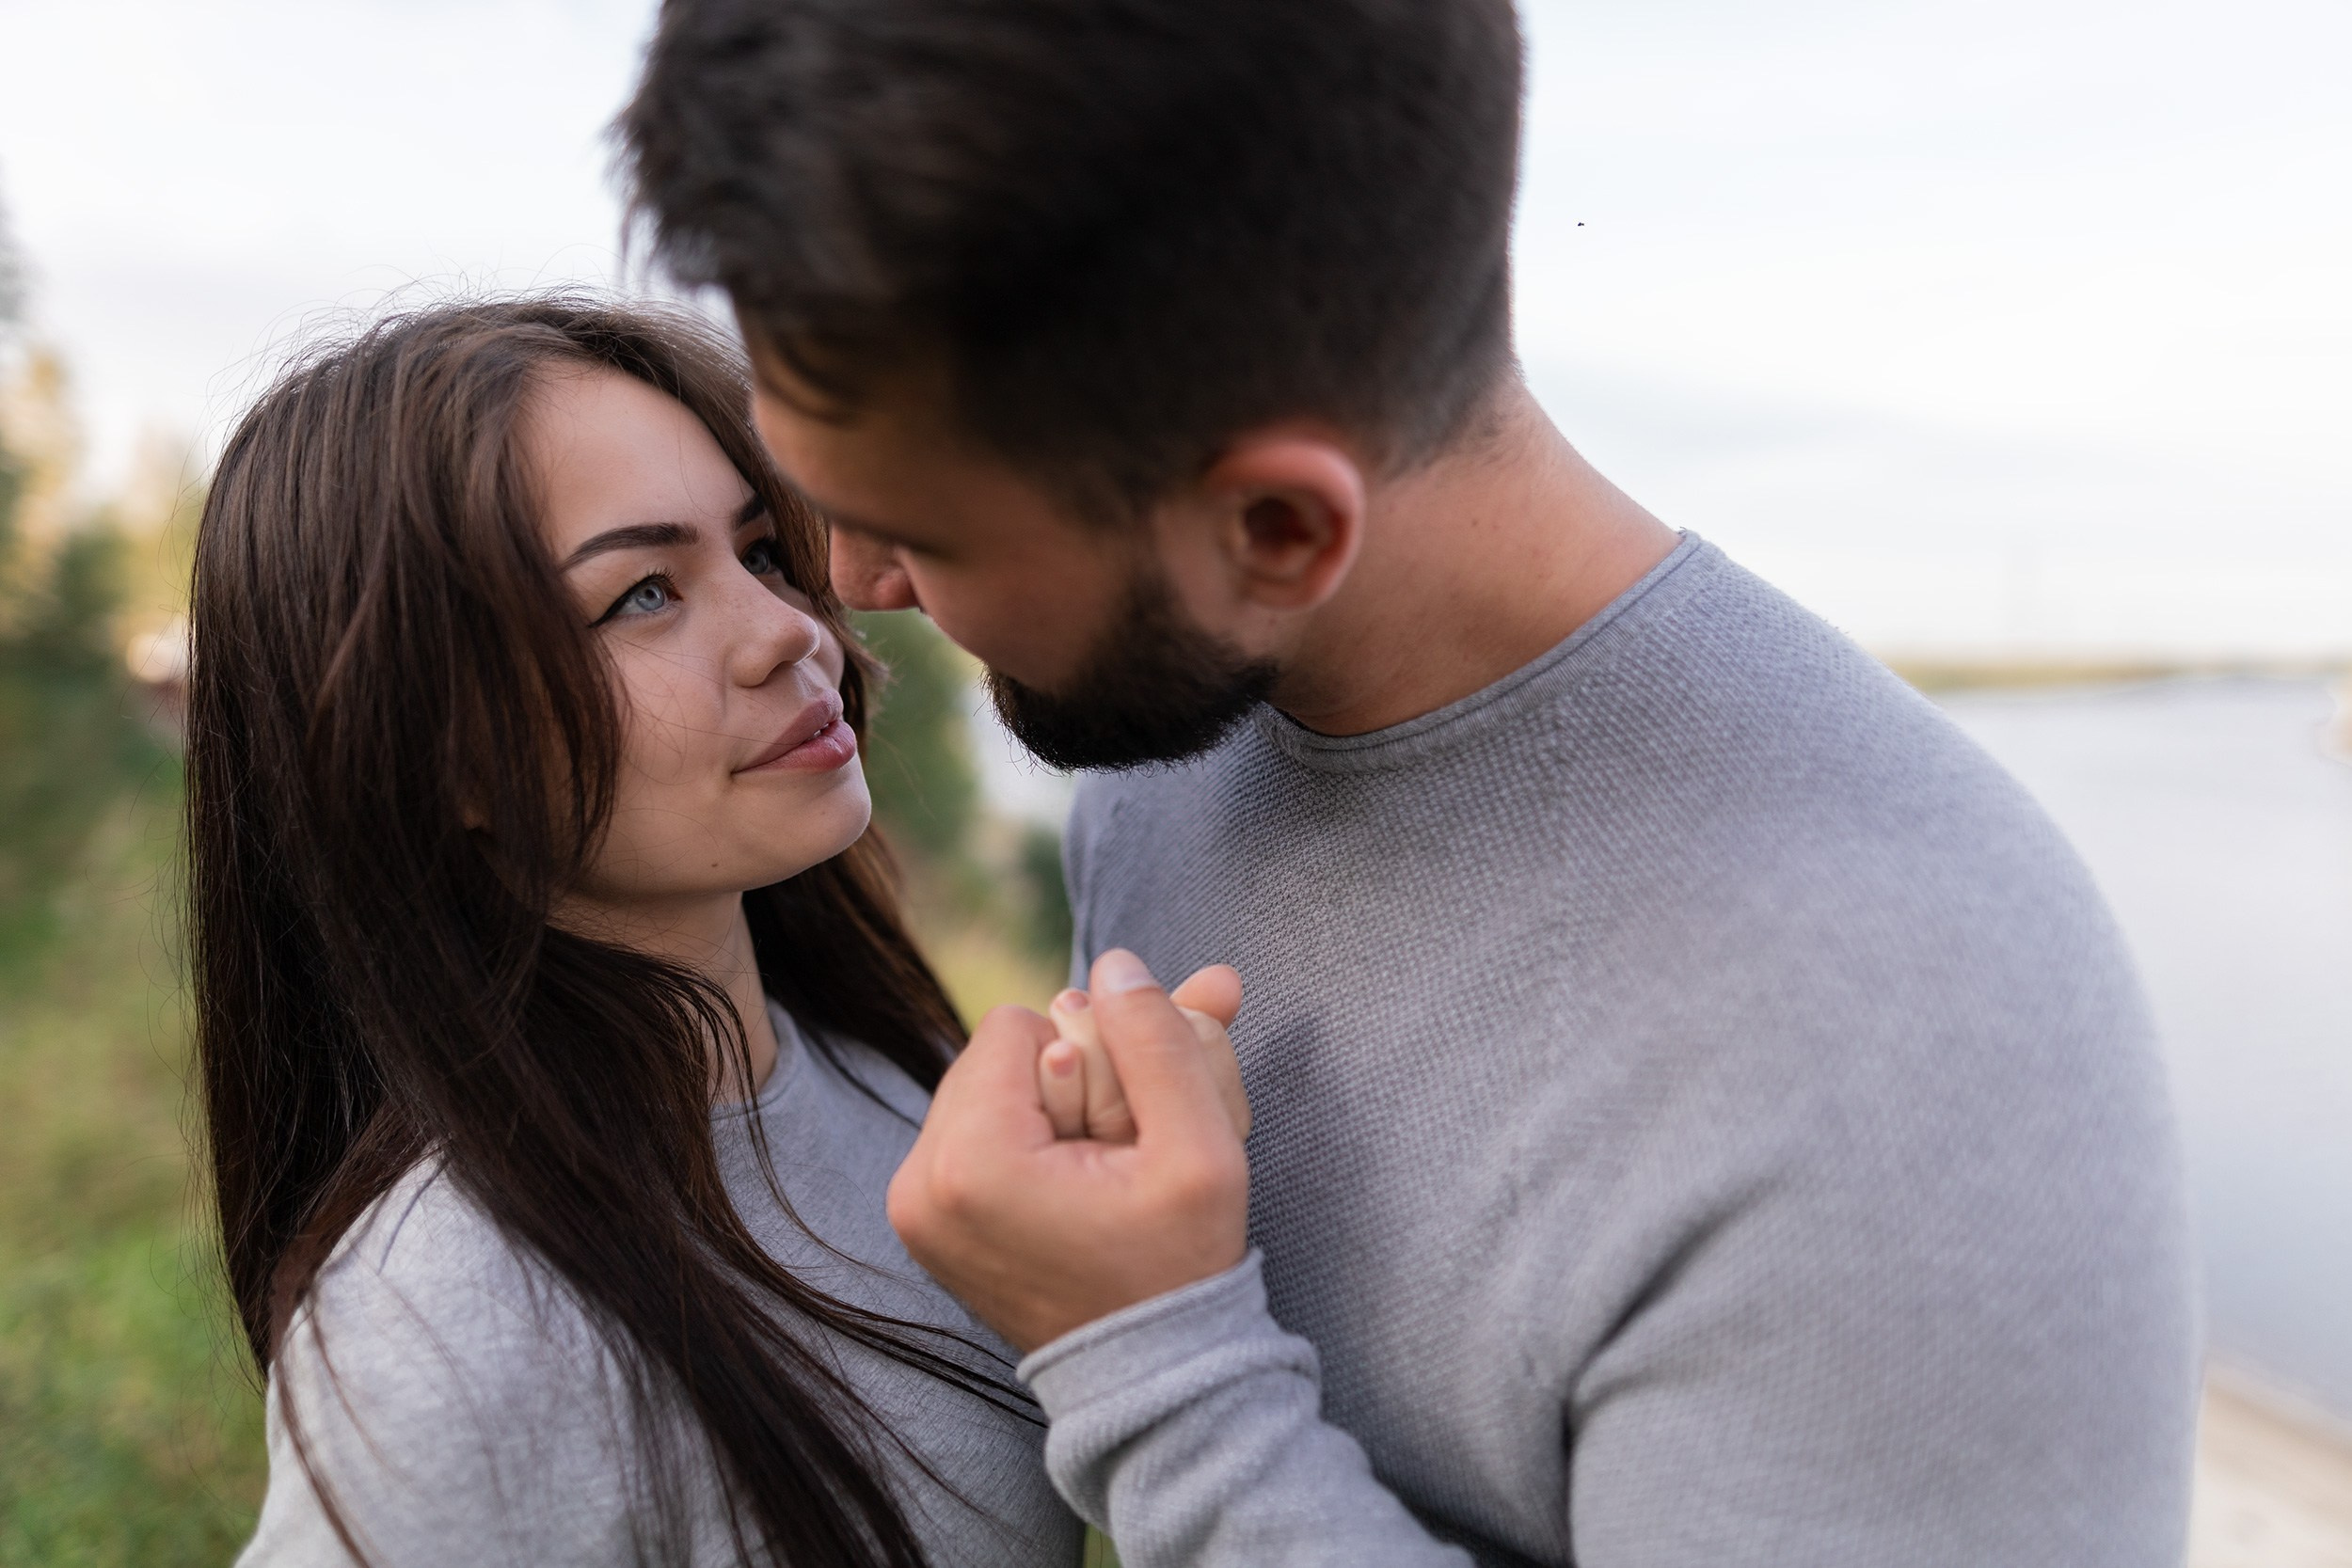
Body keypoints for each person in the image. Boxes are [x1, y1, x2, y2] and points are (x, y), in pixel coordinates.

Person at [622, 2, 2202, 1565]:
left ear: (1279, 533)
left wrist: (1154, 1373)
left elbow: (1167, 1391)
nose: (852, 581)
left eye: (922, 534)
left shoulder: (1896, 1049)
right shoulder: (1177, 725)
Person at [191, 294, 1245, 1567]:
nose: (788, 632)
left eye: (756, 552)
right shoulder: (450, 1330)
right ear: (438, 756)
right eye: (642, 594)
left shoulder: (895, 1075)